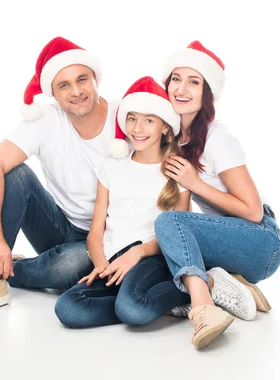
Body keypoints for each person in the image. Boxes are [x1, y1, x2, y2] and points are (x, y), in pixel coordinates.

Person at [0, 36, 119, 318]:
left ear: (96, 80)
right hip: (64, 228)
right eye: (64, 85)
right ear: (53, 92)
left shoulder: (126, 117)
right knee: (13, 173)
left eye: (82, 79)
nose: (76, 91)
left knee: (71, 266)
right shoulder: (45, 120)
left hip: (112, 239)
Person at [53, 76, 231, 340]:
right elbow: (95, 231)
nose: (138, 128)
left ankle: (206, 286)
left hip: (152, 256)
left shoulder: (176, 171)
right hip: (114, 260)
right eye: (132, 118)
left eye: (149, 120)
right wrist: (102, 264)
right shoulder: (111, 165)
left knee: (132, 311)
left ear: (165, 128)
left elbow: (177, 233)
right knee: (68, 308)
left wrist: (137, 253)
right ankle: (156, 303)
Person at [154, 41, 280, 342]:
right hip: (232, 243)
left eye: (194, 82)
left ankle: (203, 308)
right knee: (167, 245)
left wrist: (195, 183)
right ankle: (233, 286)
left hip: (263, 240)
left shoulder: (217, 138)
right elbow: (183, 218)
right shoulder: (173, 136)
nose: (182, 89)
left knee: (167, 225)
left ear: (206, 93)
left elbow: (252, 211)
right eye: (176, 79)